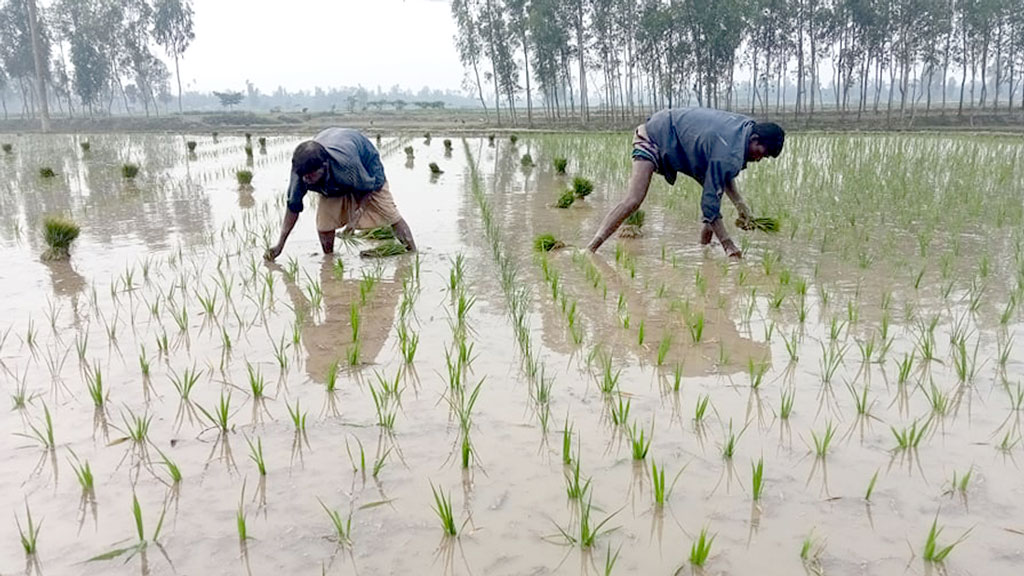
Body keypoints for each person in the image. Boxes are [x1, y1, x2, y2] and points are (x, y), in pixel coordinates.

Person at [586, 108, 785, 258]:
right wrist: (729, 246)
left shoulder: (745, 130)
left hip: (680, 141)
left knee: (714, 194)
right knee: (634, 199)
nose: (760, 159)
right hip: (655, 136)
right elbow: (711, 200)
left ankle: (703, 248)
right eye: (763, 153)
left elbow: (722, 177)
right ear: (755, 139)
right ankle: (590, 249)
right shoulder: (728, 151)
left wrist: (741, 206)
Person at [264, 128, 416, 260]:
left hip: (366, 165)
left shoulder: (348, 166)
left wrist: (356, 217)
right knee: (324, 224)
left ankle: (412, 252)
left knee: (390, 213)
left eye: (311, 175)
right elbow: (293, 207)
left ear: (325, 165)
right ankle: (329, 259)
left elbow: (367, 187)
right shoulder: (301, 171)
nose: (306, 180)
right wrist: (279, 245)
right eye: (304, 176)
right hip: (332, 163)